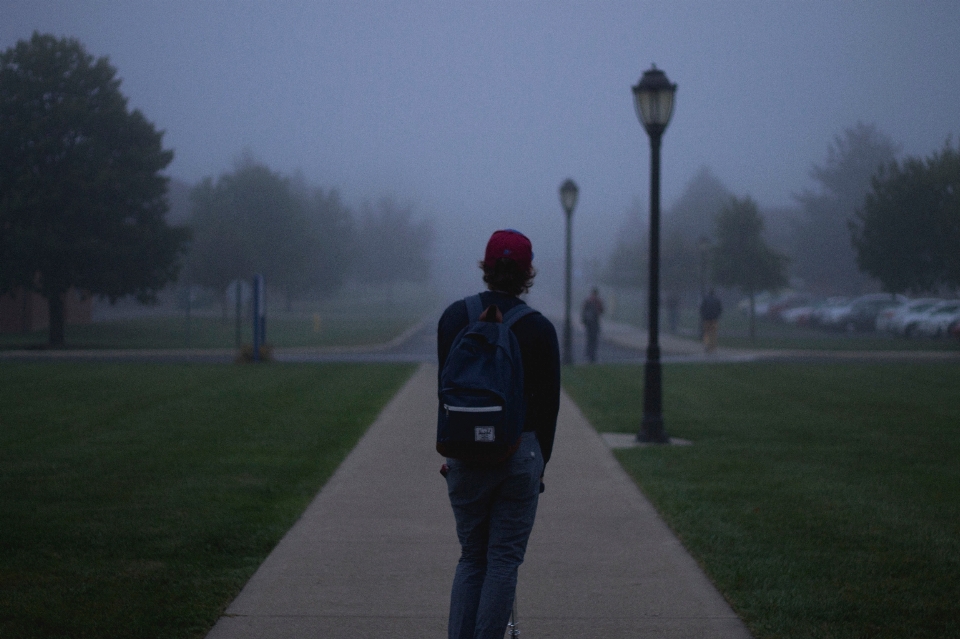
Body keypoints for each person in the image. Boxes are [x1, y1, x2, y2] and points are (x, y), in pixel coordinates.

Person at [437, 229, 561, 639]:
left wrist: (453, 452)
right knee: (503, 560)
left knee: (472, 559)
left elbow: (446, 391)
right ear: (528, 274)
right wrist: (540, 464)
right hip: (519, 454)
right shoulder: (539, 329)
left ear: (486, 268)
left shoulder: (454, 318)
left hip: (466, 455)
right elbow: (548, 409)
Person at [580, 287, 605, 363]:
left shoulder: (588, 300)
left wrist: (584, 320)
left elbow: (584, 311)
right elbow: (601, 310)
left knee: (589, 339)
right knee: (594, 339)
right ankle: (592, 354)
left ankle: (589, 353)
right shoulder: (598, 301)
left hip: (589, 323)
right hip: (595, 323)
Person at [700, 289, 723, 353]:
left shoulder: (705, 300)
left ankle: (707, 345)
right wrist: (718, 315)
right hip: (714, 319)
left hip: (706, 319)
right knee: (713, 333)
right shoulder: (717, 300)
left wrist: (703, 316)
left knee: (706, 333)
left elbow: (702, 309)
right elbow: (720, 309)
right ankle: (713, 347)